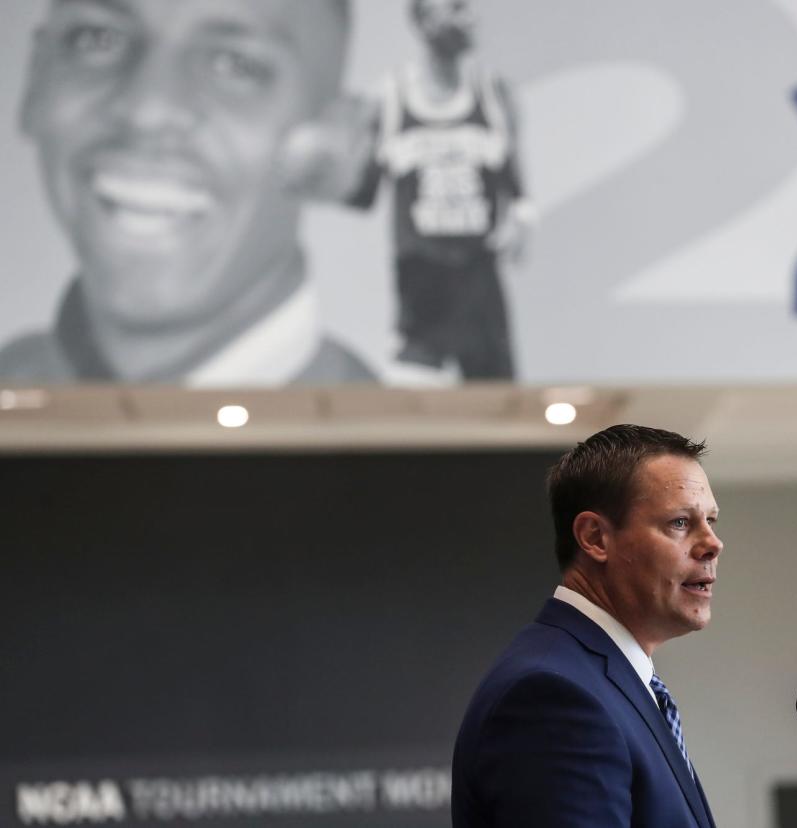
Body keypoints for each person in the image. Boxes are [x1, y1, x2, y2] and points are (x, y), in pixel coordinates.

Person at [0, 0, 375, 385]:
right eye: (98, 39)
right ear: (35, 78)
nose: (147, 110)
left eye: (234, 64)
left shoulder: (398, 440)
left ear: (338, 151)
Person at [452, 425, 722, 828]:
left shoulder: (608, 683)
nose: (713, 543)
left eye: (712, 520)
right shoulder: (554, 697)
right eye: (680, 523)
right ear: (595, 538)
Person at [348, 0, 533, 382]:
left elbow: (517, 187)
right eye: (456, 7)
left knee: (500, 415)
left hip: (479, 283)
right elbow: (361, 193)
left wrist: (521, 217)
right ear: (422, 19)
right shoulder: (388, 98)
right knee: (413, 417)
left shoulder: (493, 93)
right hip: (420, 285)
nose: (469, 18)